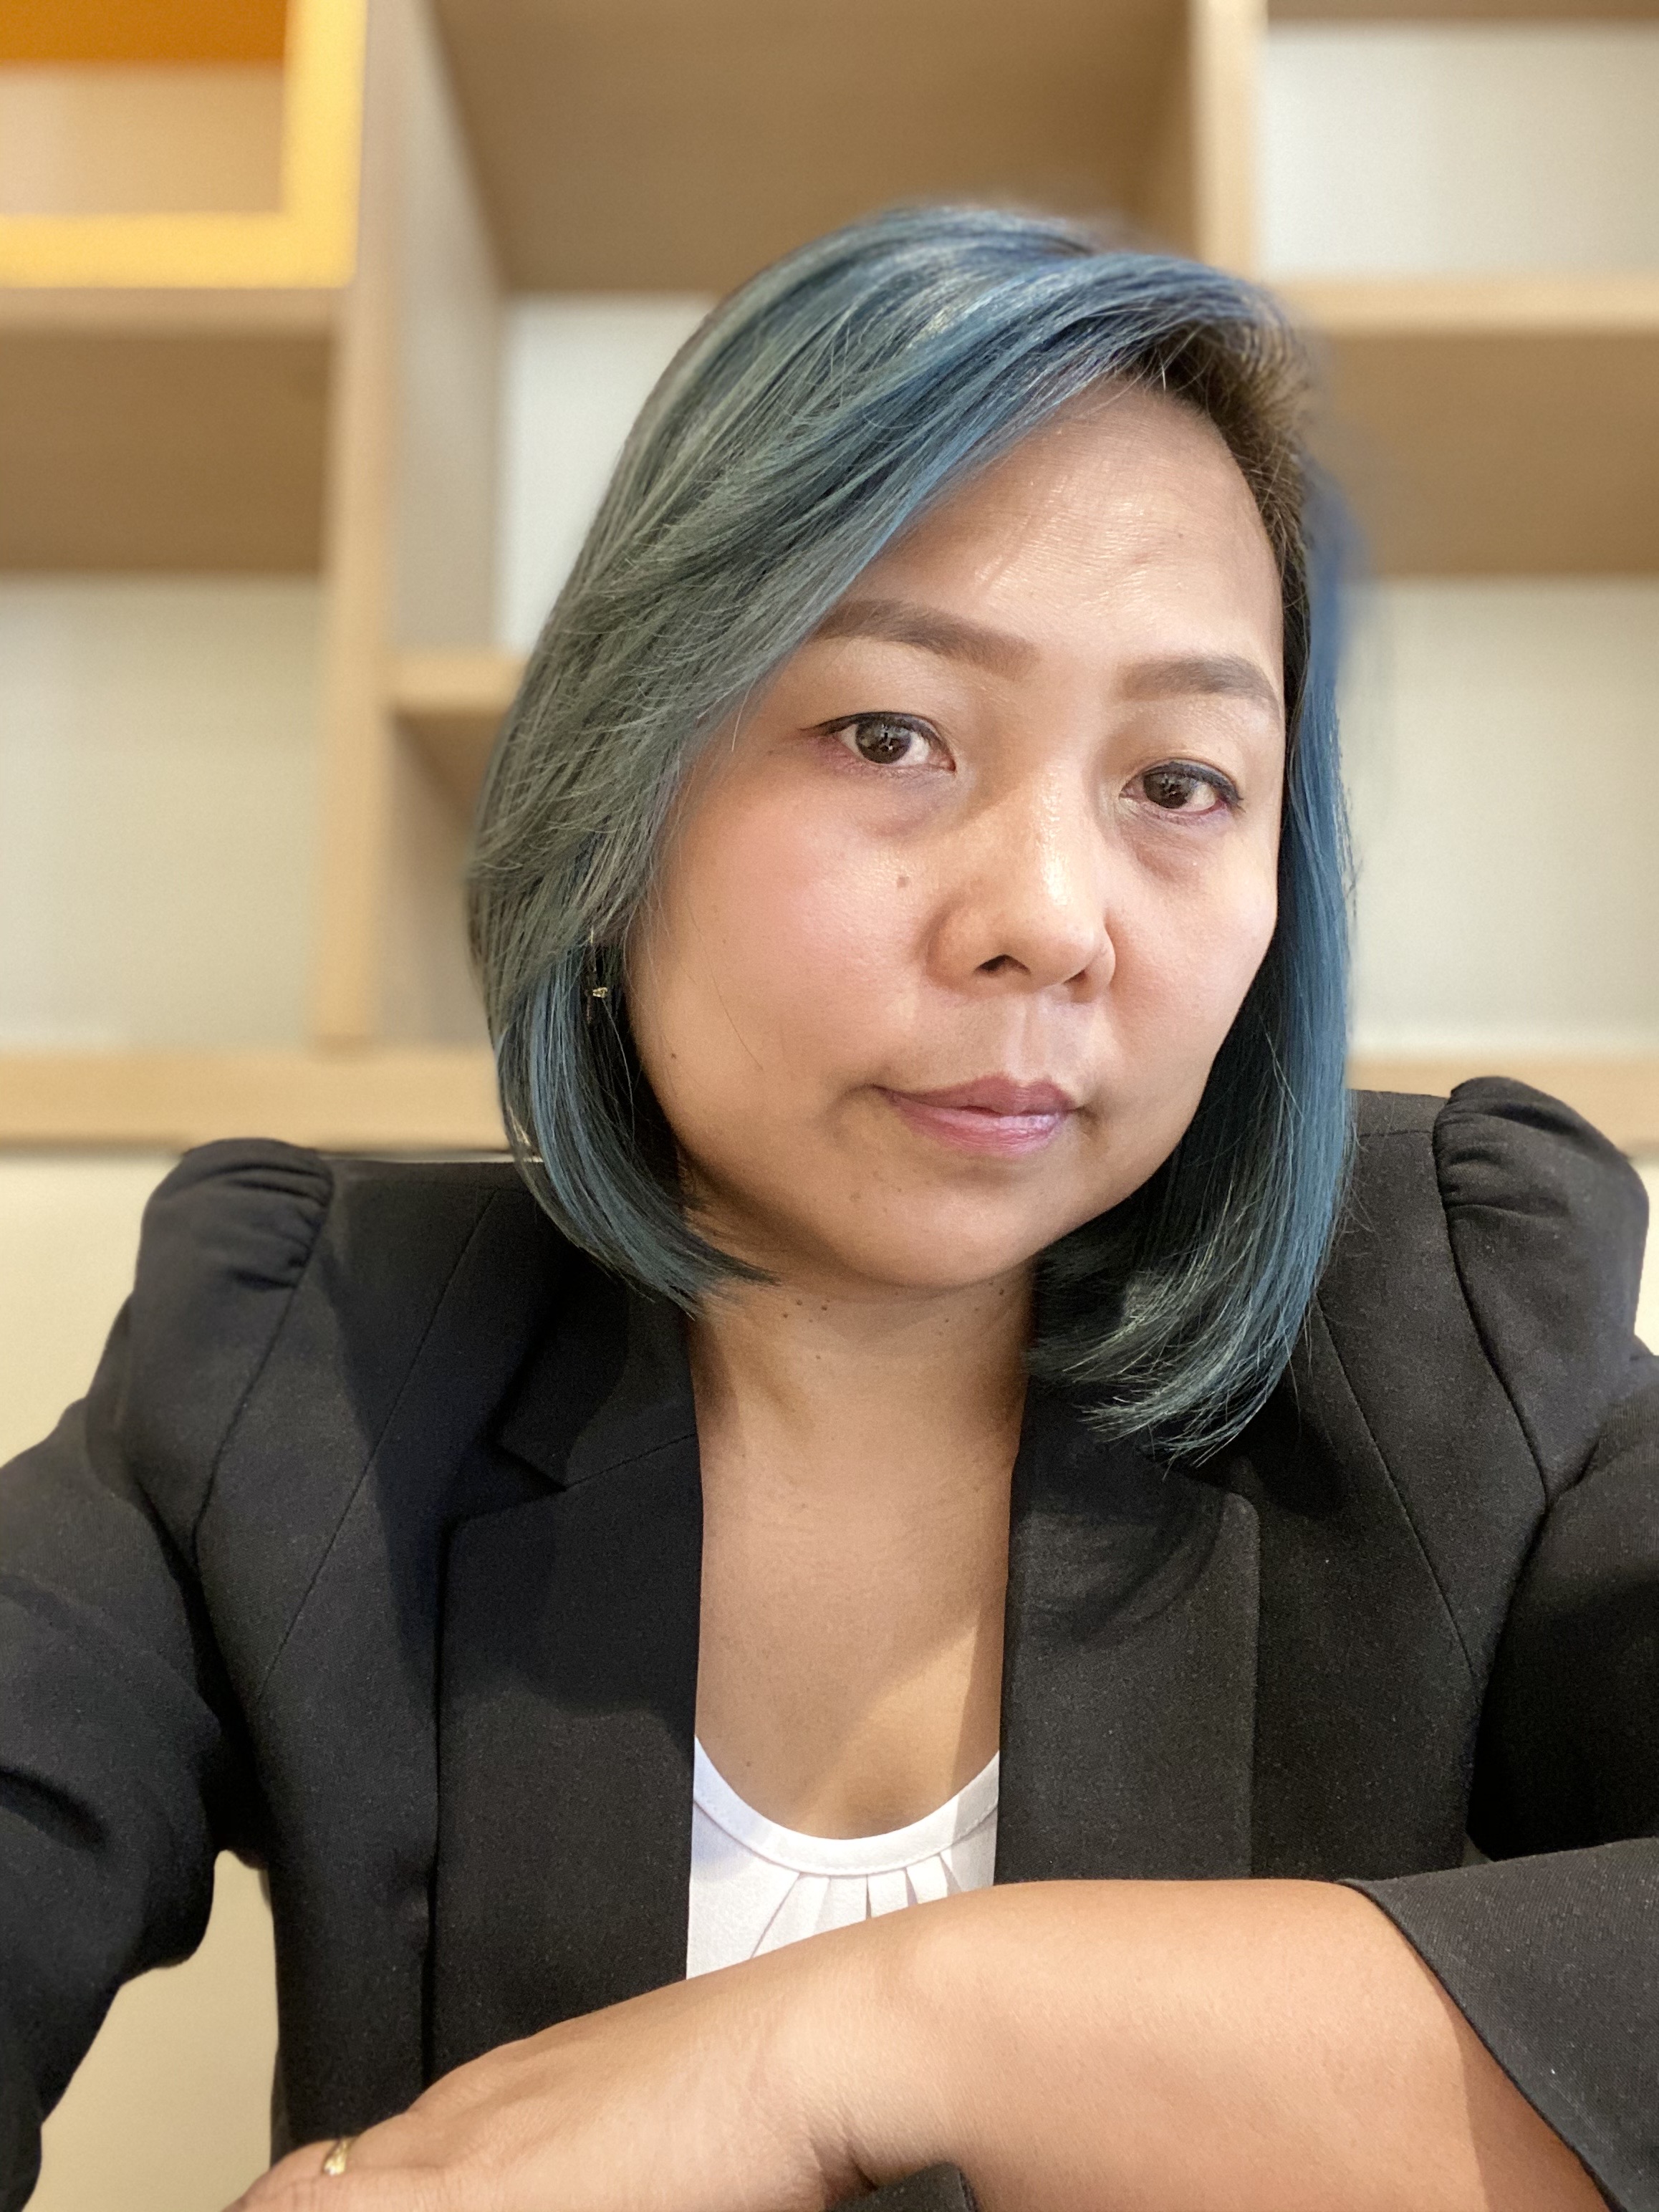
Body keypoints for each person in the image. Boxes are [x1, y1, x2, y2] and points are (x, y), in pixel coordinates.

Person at [1, 208, 1653, 2212]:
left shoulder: (1464, 1334)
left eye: (1181, 783)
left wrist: (891, 2035)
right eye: (889, 735)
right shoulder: (298, 1367)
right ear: (622, 795)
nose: (1048, 919)